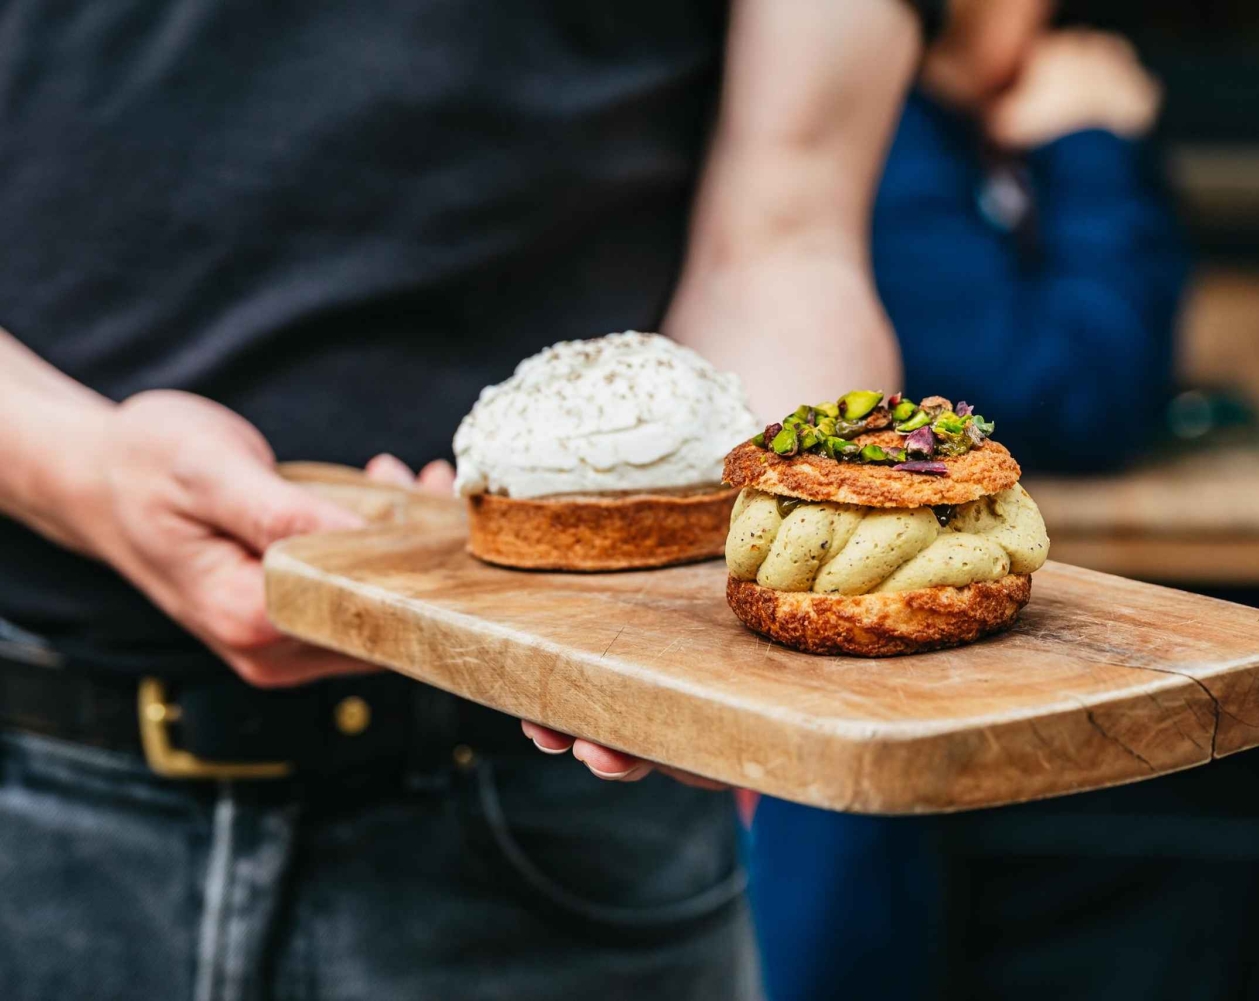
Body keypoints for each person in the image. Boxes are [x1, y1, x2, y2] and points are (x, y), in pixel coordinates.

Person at [0, 2, 944, 997]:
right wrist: (80, 467)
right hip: (38, 772)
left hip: (556, 809)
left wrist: (732, 607)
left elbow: (785, 239)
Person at [743, 2, 1190, 998]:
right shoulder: (876, 137)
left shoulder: (958, 124)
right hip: (839, 706)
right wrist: (1091, 147)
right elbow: (1074, 390)